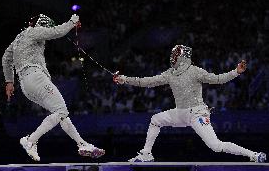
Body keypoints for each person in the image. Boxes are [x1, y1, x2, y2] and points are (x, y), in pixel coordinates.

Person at [113, 45, 266, 162]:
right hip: (181, 113)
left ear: (182, 56)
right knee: (155, 120)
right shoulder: (170, 73)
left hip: (197, 113)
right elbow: (147, 81)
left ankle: (253, 155)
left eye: (175, 54)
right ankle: (146, 154)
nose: (172, 57)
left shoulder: (195, 71)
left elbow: (218, 79)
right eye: (172, 54)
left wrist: (235, 72)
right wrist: (125, 79)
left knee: (216, 146)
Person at [2, 14, 105, 161]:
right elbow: (57, 32)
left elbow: (6, 58)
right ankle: (30, 140)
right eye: (46, 27)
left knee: (60, 114)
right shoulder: (33, 30)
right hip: (35, 77)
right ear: (41, 24)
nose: (46, 31)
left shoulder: (18, 38)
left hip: (25, 85)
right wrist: (72, 22)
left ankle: (82, 144)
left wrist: (9, 81)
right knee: (61, 111)